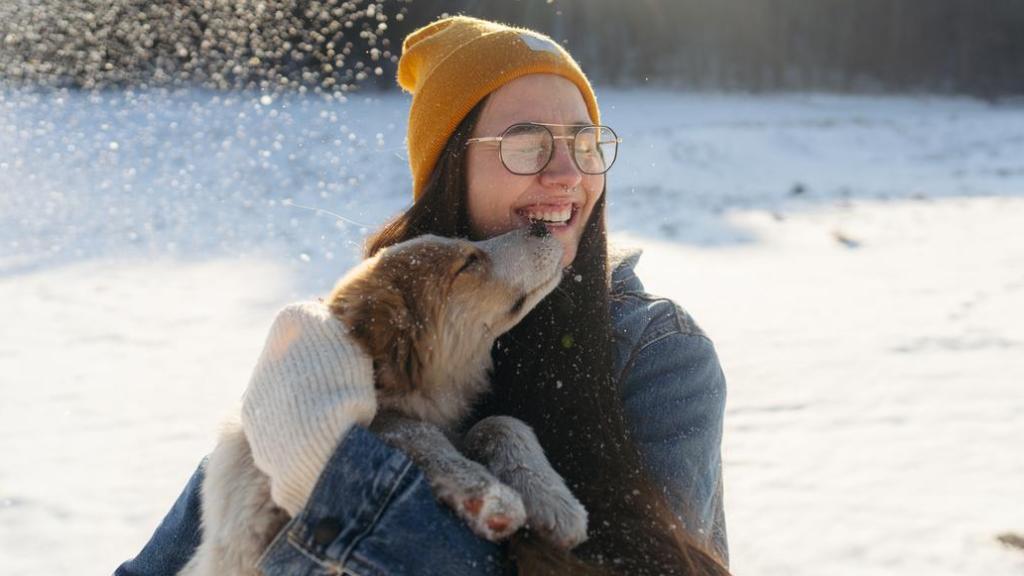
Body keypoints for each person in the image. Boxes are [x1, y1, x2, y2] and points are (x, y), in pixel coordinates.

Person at [116, 15, 728, 576]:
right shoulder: (347, 346)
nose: (568, 173)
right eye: (526, 143)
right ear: (449, 166)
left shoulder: (656, 354)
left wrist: (334, 477)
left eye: (585, 142)